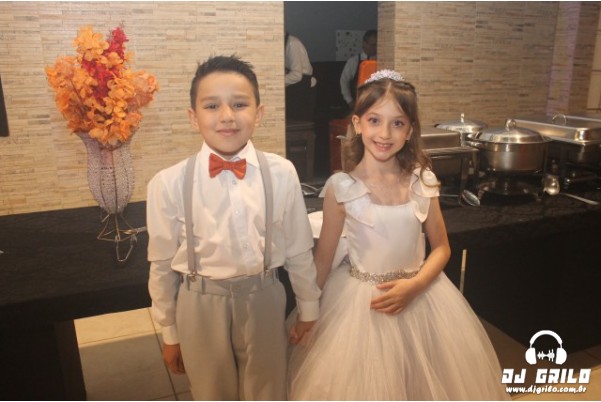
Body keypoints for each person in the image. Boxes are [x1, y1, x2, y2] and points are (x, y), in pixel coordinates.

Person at [288, 70, 509, 400]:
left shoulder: (422, 180)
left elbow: (442, 249)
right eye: (374, 120)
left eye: (398, 123)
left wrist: (415, 285)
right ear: (357, 124)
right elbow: (322, 261)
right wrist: (308, 313)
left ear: (410, 130)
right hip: (360, 306)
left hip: (421, 298)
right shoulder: (341, 187)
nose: (385, 133)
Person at [147, 55, 321, 400]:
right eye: (212, 106)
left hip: (264, 296)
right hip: (199, 302)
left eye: (240, 104)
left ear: (259, 113)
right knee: (211, 391)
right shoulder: (167, 183)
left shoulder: (282, 172)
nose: (227, 116)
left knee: (269, 389)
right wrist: (170, 331)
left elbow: (299, 249)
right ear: (193, 117)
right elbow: (162, 265)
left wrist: (309, 308)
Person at [339, 29, 377, 110]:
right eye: (373, 45)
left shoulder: (382, 62)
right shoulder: (353, 61)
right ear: (364, 43)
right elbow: (344, 82)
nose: (375, 48)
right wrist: (350, 101)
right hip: (357, 103)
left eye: (377, 45)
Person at [285, 32, 316, 120]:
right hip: (298, 86)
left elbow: (296, 75)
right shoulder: (287, 44)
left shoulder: (292, 44)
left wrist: (277, 82)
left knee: (299, 122)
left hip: (302, 87)